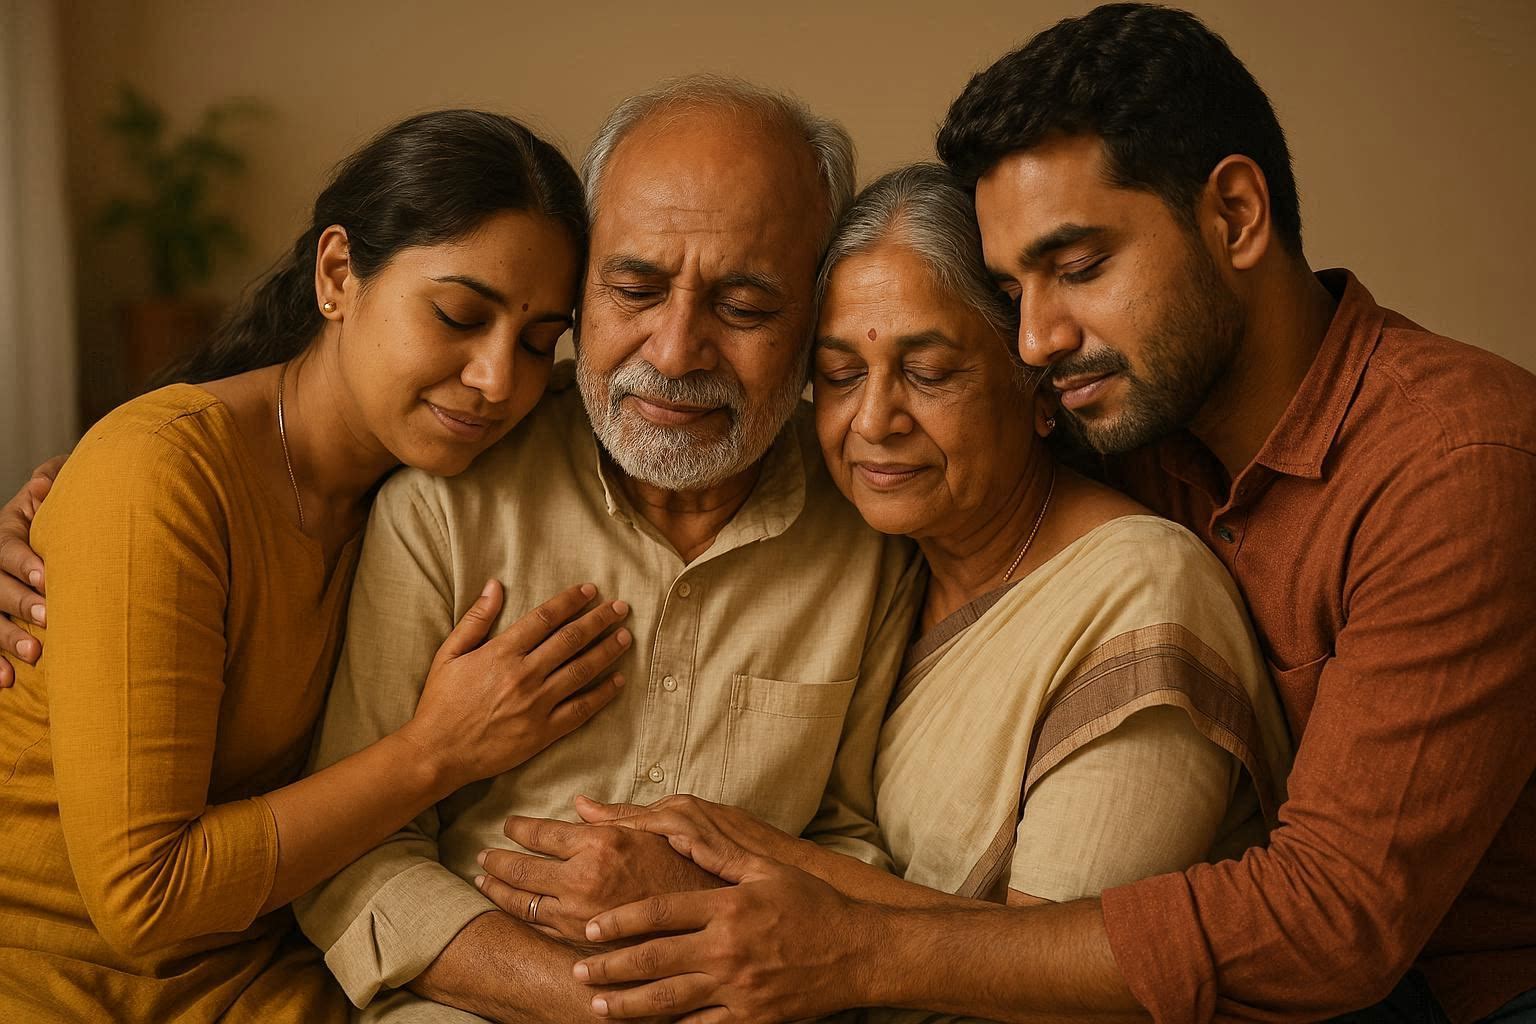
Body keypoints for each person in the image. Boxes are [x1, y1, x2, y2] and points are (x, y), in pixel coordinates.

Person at [558, 7, 1536, 1023]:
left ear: (1237, 215)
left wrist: (844, 939)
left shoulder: (1455, 463)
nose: (1036, 338)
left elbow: (1332, 927)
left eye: (1077, 268)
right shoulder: (1126, 419)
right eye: (1015, 287)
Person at [496, 159, 1292, 1016]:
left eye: (931, 372)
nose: (874, 421)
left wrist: (731, 859)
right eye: (842, 376)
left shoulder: (1141, 594)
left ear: (1038, 388)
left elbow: (1068, 980)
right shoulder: (886, 563)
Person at [286, 77, 921, 1023]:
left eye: (745, 307)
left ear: (814, 319)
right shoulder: (446, 501)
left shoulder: (870, 529)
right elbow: (358, 856)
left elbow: (848, 838)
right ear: (581, 287)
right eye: (635, 290)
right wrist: (596, 1008)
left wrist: (711, 920)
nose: (673, 352)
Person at [0, 110, 636, 1023]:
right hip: (61, 976)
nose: (499, 379)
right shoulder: (163, 475)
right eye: (459, 316)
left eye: (539, 342)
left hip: (274, 970)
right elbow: (146, 897)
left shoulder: (442, 480)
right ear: (338, 275)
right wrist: (435, 752)